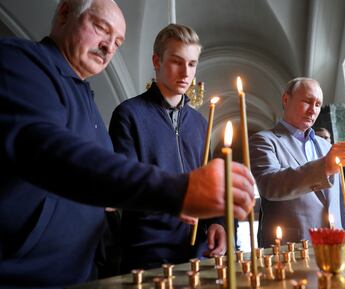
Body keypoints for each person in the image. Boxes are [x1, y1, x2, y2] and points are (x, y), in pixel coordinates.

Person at [0, 0, 255, 287]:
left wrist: (217, 220)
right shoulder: (20, 61)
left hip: (81, 269)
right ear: (64, 13)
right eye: (101, 28)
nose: (109, 47)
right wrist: (179, 191)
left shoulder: (86, 98)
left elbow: (105, 189)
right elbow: (48, 151)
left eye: (118, 41)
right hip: (26, 273)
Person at [109, 24, 226, 271]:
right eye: (177, 61)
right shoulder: (128, 115)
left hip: (197, 252)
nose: (186, 72)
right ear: (157, 61)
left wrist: (218, 223)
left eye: (192, 64)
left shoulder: (200, 123)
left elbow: (212, 183)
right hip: (148, 251)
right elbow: (124, 185)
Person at [249, 77, 345, 247]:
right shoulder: (264, 140)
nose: (313, 110)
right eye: (307, 101)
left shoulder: (327, 146)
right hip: (292, 245)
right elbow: (269, 184)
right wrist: (324, 167)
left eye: (318, 104)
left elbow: (343, 202)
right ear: (286, 99)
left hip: (337, 245)